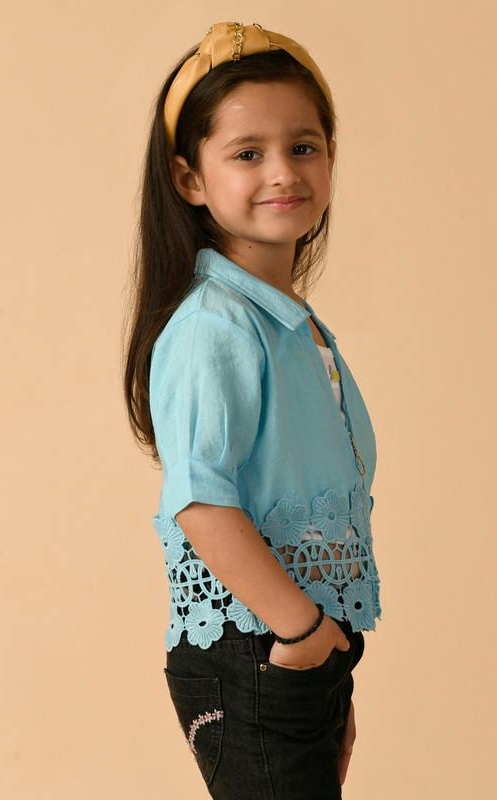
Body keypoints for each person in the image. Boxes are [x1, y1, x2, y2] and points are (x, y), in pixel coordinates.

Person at [123, 20, 382, 800]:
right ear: (189, 179)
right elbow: (201, 502)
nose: (282, 172)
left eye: (303, 146)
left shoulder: (289, 324)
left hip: (296, 645)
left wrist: (327, 662)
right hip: (256, 645)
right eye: (247, 153)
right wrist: (302, 636)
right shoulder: (215, 325)